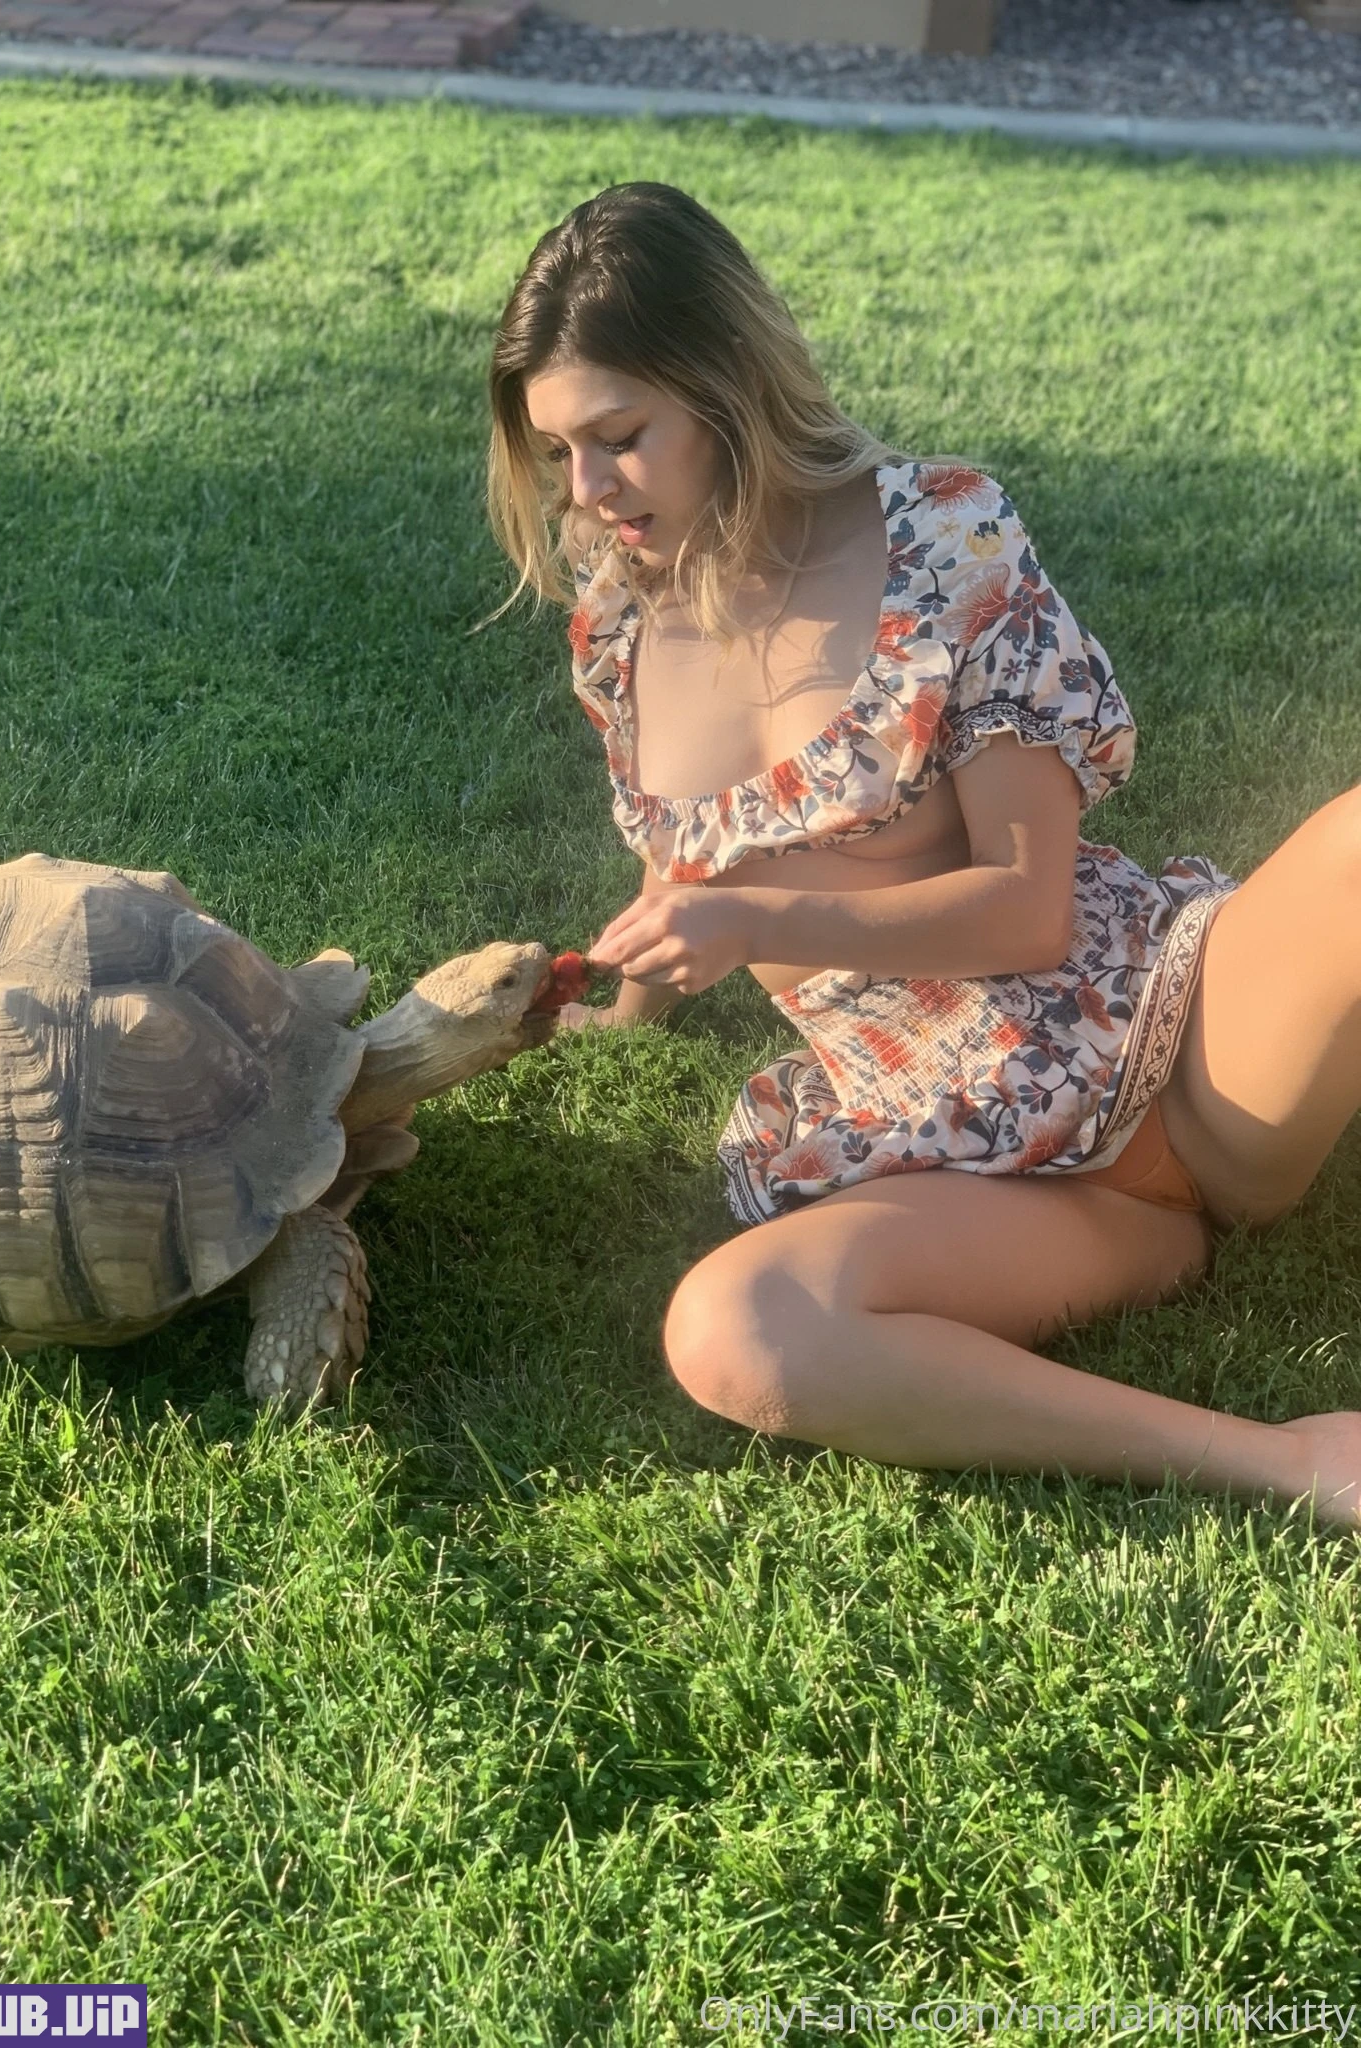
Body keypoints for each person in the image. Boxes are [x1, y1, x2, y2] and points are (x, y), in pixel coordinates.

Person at [486, 180, 1361, 1529]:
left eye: (620, 437)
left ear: (725, 390)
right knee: (736, 1329)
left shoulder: (944, 537)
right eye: (559, 451)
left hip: (1186, 1045)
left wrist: (753, 921)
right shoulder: (620, 621)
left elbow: (1025, 909)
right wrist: (626, 998)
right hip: (975, 1163)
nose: (590, 491)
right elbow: (688, 861)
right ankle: (1290, 1459)